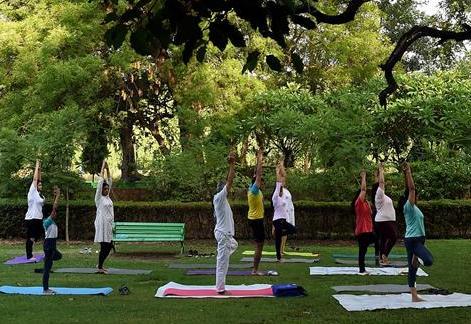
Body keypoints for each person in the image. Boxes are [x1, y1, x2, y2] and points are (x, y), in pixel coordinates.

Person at [399, 162, 433, 302]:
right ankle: (417, 257)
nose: (414, 195)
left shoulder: (414, 208)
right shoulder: (409, 206)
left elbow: (409, 189)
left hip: (416, 239)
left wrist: (404, 175)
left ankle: (414, 296)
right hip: (413, 240)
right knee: (428, 260)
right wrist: (408, 172)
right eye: (412, 195)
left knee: (412, 269)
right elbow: (412, 188)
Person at [213, 152, 238, 294]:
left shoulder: (222, 200)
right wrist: (232, 165)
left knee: (234, 245)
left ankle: (222, 255)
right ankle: (220, 288)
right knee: (222, 262)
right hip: (223, 234)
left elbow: (228, 183)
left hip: (225, 235)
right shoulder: (219, 198)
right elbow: (230, 181)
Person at [352, 171, 377, 274]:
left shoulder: (366, 203)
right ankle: (362, 269)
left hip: (368, 230)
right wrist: (363, 177)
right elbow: (363, 189)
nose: (365, 194)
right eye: (363, 194)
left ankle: (380, 256)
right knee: (362, 250)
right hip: (362, 231)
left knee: (378, 240)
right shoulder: (358, 203)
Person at [272, 157, 296, 262]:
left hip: (283, 221)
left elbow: (283, 177)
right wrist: (278, 170)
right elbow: (279, 180)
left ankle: (277, 234)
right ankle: (279, 258)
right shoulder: (276, 196)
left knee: (293, 230)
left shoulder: (283, 195)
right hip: (277, 220)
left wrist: (282, 165)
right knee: (277, 241)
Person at [373, 163, 397, 265]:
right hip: (384, 221)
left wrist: (377, 175)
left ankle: (382, 258)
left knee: (383, 239)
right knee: (393, 237)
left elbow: (379, 183)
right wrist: (381, 169)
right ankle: (384, 255)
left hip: (383, 220)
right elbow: (381, 182)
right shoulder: (379, 195)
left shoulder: (382, 196)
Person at [94, 160, 114, 274]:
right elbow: (100, 183)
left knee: (109, 245)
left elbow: (109, 181)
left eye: (107, 189)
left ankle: (100, 265)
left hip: (108, 225)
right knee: (104, 246)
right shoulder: (99, 198)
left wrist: (108, 169)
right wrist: (102, 166)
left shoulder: (107, 198)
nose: (106, 190)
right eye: (105, 189)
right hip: (102, 225)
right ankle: (100, 267)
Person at [247, 149, 265, 275]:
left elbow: (256, 174)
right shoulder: (254, 190)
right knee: (259, 245)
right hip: (256, 220)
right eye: (259, 180)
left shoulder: (253, 189)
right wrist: (259, 158)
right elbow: (258, 173)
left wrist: (256, 158)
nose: (261, 181)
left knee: (260, 244)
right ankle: (255, 270)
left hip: (255, 219)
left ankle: (255, 269)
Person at [43, 186, 63, 295]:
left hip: (52, 245)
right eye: (52, 213)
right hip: (49, 245)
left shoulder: (52, 222)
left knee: (59, 256)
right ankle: (46, 289)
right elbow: (54, 208)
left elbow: (54, 209)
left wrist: (55, 195)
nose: (55, 214)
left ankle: (45, 258)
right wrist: (58, 195)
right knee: (47, 268)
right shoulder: (47, 222)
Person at [25, 160, 45, 261]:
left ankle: (38, 253)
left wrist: (40, 169)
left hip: (39, 218)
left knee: (40, 237)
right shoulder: (32, 192)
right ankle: (29, 256)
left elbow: (39, 180)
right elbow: (35, 179)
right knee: (31, 238)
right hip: (31, 218)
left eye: (41, 185)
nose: (41, 186)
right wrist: (36, 167)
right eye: (39, 185)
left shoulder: (41, 195)